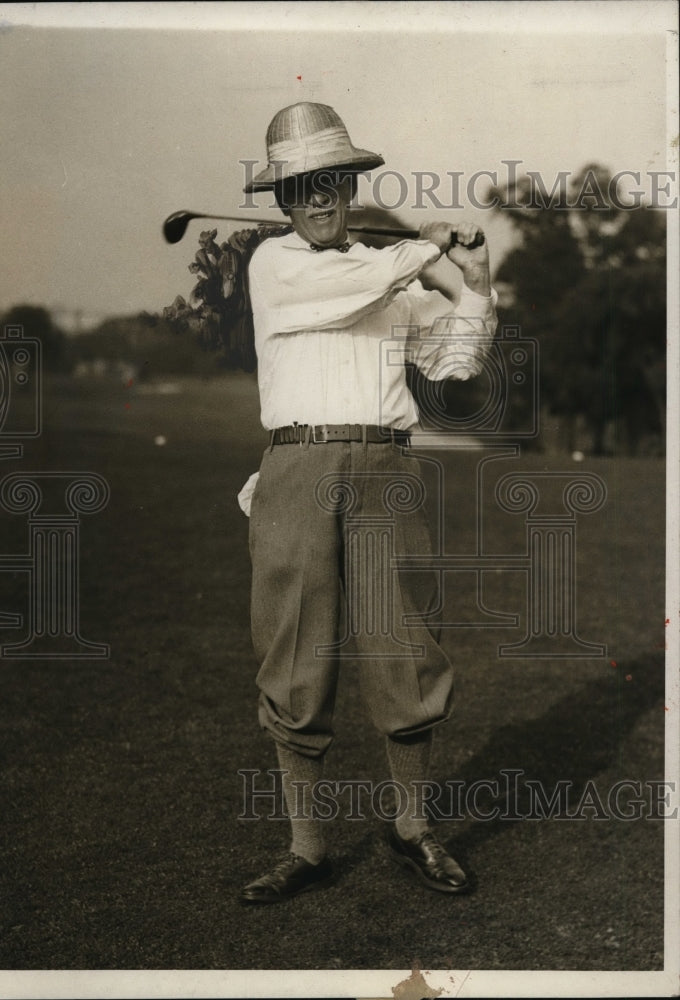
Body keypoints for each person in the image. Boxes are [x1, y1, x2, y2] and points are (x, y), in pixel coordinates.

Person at [239, 102, 497, 904]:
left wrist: (477, 288)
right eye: (304, 188)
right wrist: (426, 250)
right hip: (295, 466)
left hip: (385, 465)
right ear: (283, 201)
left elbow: (455, 361)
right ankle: (307, 847)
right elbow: (353, 287)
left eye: (334, 185)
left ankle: (413, 829)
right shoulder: (277, 265)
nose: (320, 202)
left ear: (351, 190)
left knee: (405, 647)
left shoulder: (383, 277)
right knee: (295, 654)